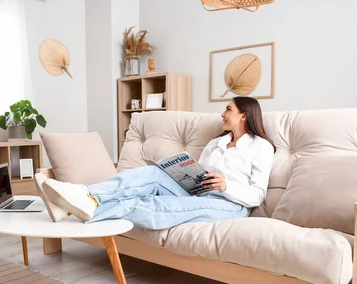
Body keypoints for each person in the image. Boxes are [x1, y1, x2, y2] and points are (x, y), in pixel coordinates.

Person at [37, 96, 276, 230]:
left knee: (149, 204)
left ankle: (73, 210)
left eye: (228, 109)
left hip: (229, 205)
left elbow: (257, 195)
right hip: (198, 194)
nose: (222, 114)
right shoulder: (217, 143)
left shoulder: (260, 147)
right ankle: (85, 194)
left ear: (243, 115)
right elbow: (200, 174)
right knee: (152, 173)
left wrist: (226, 186)